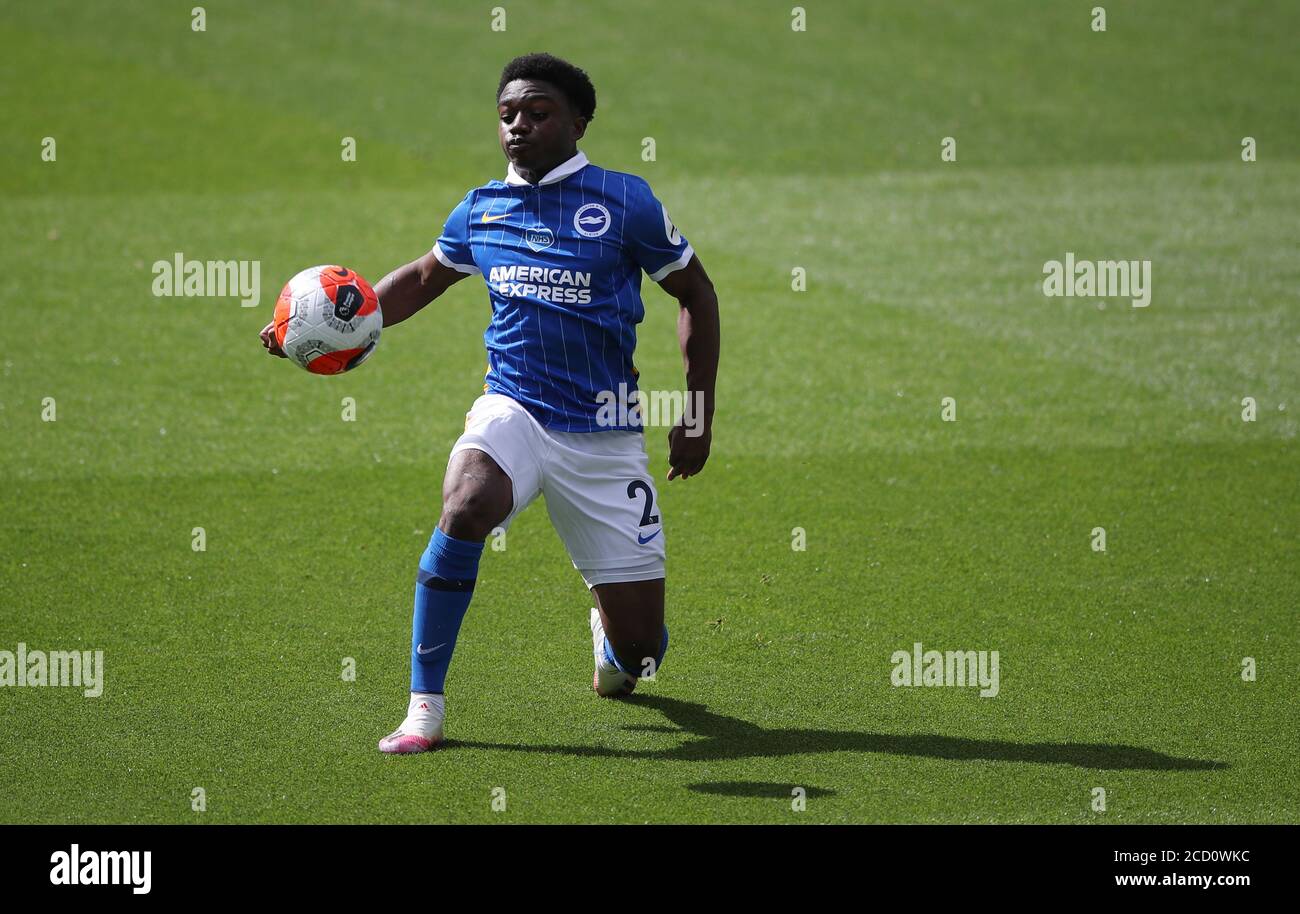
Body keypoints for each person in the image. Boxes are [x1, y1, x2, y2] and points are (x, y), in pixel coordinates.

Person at [260, 52, 720, 754]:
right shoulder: (482, 209)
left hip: (604, 436)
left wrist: (696, 413)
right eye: (508, 114)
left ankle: (612, 640)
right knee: (467, 502)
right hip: (516, 410)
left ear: (577, 121)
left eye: (537, 113)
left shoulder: (626, 203)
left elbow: (697, 293)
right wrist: (322, 323)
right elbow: (420, 278)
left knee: (643, 653)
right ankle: (424, 708)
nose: (519, 126)